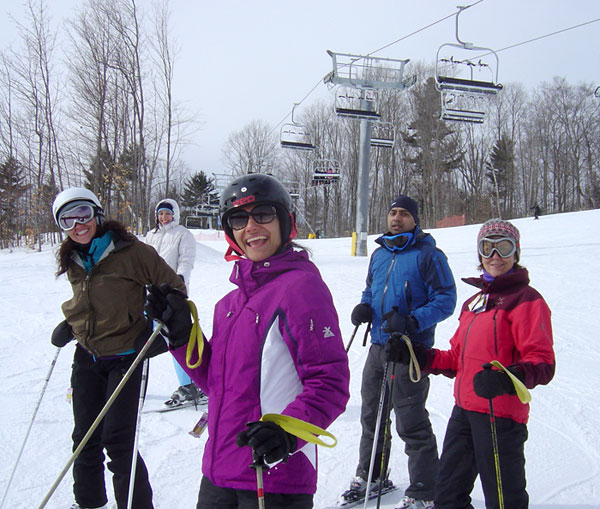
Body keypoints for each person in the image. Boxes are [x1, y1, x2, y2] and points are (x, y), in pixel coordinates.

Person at [144, 173, 350, 509]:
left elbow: (330, 382)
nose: (251, 226)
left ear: (286, 223)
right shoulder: (230, 304)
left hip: (273, 476)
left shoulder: (300, 288)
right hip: (218, 471)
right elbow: (217, 383)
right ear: (231, 233)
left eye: (264, 214)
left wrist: (286, 434)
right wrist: (182, 336)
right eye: (239, 219)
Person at [384, 218, 555, 509]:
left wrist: (506, 378)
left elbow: (542, 362)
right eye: (487, 248)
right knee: (448, 497)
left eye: (504, 247)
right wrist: (416, 354)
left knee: (504, 501)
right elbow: (456, 360)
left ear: (516, 252)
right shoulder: (474, 303)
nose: (495, 256)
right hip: (464, 413)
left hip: (499, 418)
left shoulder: (526, 300)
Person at [50, 187, 187, 509]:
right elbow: (91, 301)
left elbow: (174, 288)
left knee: (118, 440)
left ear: (96, 214)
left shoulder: (131, 251)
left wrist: (161, 321)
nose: (77, 225)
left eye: (83, 214)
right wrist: (72, 324)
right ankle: (89, 503)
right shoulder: (72, 256)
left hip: (127, 354)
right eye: (67, 220)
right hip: (87, 354)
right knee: (84, 439)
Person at [345, 195, 457, 509]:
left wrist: (412, 320)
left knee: (411, 420)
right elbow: (371, 288)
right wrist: (365, 306)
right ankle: (373, 475)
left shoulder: (429, 255)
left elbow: (446, 299)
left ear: (415, 219)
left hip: (410, 349)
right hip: (379, 347)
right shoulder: (380, 254)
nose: (396, 218)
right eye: (393, 212)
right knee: (372, 416)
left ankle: (425, 489)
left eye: (404, 214)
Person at [145, 198, 206, 407]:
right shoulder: (151, 235)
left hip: (172, 294)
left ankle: (190, 383)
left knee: (176, 340)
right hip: (151, 294)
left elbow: (186, 260)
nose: (164, 218)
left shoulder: (182, 234)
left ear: (175, 215)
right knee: (142, 337)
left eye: (168, 214)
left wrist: (180, 278)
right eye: (161, 214)